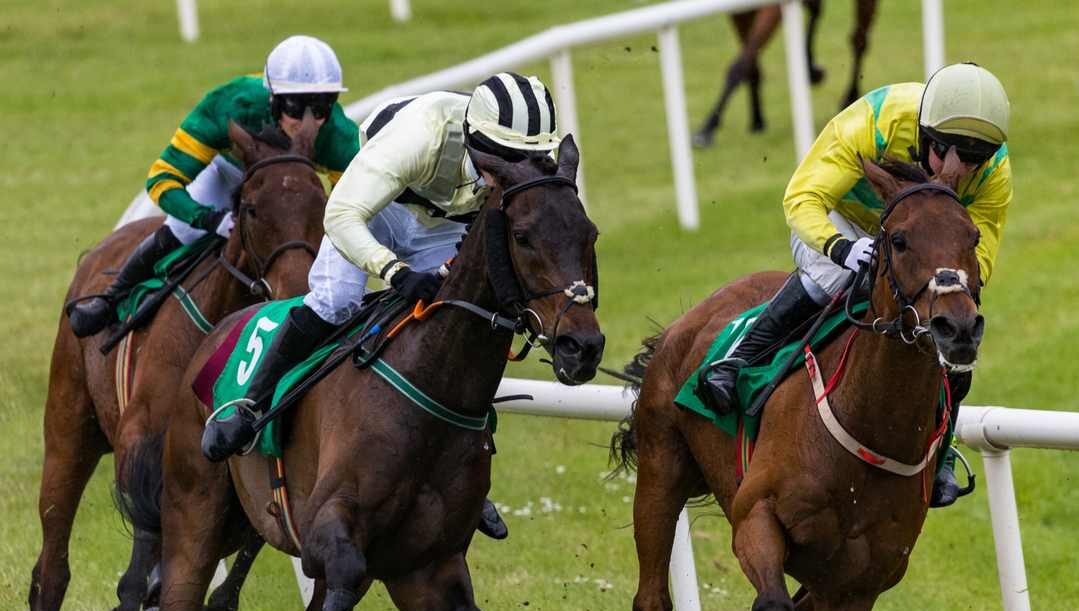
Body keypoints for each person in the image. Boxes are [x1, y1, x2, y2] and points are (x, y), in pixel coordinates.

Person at [200, 72, 563, 538]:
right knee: (336, 300)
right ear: (475, 137)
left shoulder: (529, 151)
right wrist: (395, 271)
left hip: (447, 223)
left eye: (529, 160)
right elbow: (343, 214)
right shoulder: (421, 136)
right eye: (507, 159)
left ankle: (467, 469)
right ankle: (252, 406)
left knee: (463, 327)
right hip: (378, 210)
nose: (518, 170)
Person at [699, 62, 1012, 507]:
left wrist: (947, 285)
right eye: (948, 152)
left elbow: (980, 252)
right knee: (837, 278)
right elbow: (803, 198)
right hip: (843, 219)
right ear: (924, 135)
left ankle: (940, 455)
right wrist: (840, 247)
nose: (959, 172)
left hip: (924, 244)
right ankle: (738, 358)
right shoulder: (873, 125)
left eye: (975, 158)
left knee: (954, 325)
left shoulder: (996, 172)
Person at [68, 35, 359, 338]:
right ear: (272, 98)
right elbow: (162, 179)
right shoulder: (229, 104)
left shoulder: (339, 136)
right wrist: (208, 218)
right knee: (184, 230)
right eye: (296, 106)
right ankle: (112, 298)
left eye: (323, 104)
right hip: (230, 174)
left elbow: (355, 209)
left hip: (293, 188)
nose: (310, 120)